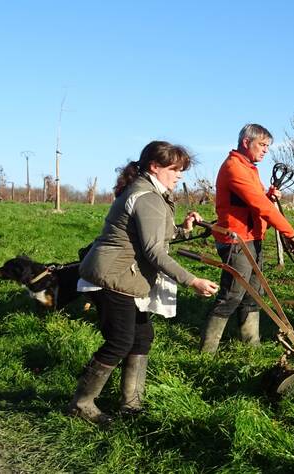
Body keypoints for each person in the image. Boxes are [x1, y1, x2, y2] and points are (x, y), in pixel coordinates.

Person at [68, 141, 219, 423]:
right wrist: (192, 280)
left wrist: (183, 230)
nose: (179, 175)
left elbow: (153, 236)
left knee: (142, 336)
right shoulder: (147, 196)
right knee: (120, 340)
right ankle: (81, 403)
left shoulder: (150, 193)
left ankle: (131, 403)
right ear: (155, 167)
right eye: (175, 169)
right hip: (112, 276)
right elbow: (153, 250)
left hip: (125, 275)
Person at [199, 123, 294, 353]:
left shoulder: (248, 168)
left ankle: (251, 345)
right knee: (232, 294)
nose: (265, 150)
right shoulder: (234, 168)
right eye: (262, 145)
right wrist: (290, 233)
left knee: (254, 292)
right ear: (246, 142)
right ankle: (207, 351)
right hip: (236, 240)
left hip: (252, 237)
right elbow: (260, 206)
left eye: (267, 146)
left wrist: (268, 195)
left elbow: (254, 200)